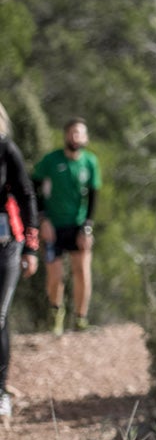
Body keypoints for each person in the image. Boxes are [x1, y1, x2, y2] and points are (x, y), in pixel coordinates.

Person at [34, 118, 98, 334]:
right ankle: (56, 315)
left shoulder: (90, 162)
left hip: (78, 226)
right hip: (53, 227)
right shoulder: (51, 161)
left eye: (79, 133)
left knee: (82, 270)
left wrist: (87, 227)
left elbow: (93, 197)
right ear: (65, 135)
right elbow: (34, 188)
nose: (75, 137)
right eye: (72, 132)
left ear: (86, 137)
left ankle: (81, 317)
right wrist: (42, 219)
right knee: (55, 275)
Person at [0, 107, 39, 418]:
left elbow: (27, 195)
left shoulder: (6, 149)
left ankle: (1, 392)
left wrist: (32, 248)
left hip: (7, 246)